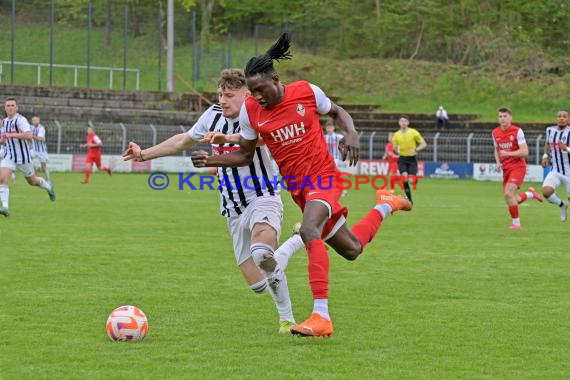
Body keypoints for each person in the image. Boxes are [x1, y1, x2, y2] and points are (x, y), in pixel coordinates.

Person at [191, 33, 412, 337]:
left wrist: (352, 133)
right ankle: (386, 204)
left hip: (324, 177)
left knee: (309, 231)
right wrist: (211, 160)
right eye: (252, 92)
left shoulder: (306, 92)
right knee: (351, 249)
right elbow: (244, 154)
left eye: (261, 89)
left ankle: (321, 316)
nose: (257, 97)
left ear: (276, 79)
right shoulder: (251, 112)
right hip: (299, 188)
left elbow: (337, 112)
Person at [123, 68, 305, 334]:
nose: (223, 99)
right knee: (258, 284)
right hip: (232, 208)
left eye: (229, 95)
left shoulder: (259, 114)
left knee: (262, 254)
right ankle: (296, 241)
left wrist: (226, 140)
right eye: (220, 94)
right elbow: (182, 141)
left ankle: (287, 320)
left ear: (247, 95)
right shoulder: (212, 116)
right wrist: (143, 155)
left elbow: (263, 140)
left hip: (262, 197)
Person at [0, 98, 55, 217]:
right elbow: (6, 137)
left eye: (12, 105)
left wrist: (12, 134)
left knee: (32, 181)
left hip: (23, 157)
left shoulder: (21, 120)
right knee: (2, 179)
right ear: (5, 108)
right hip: (9, 156)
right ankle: (5, 207)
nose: (10, 107)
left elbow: (29, 135)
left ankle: (48, 187)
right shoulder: (4, 122)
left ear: (16, 107)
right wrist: (4, 139)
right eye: (8, 105)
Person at [492, 107, 542, 229]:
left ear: (510, 117)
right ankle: (530, 194)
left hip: (518, 167)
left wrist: (508, 154)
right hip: (506, 169)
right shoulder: (495, 133)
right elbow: (496, 149)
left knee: (508, 193)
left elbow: (525, 152)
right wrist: (498, 162)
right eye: (500, 116)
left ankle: (516, 224)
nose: (502, 119)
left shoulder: (517, 131)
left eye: (505, 116)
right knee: (514, 198)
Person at [540, 110, 570, 222]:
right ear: (556, 119)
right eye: (559, 116)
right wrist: (545, 156)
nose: (561, 118)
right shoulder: (550, 130)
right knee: (546, 191)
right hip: (556, 170)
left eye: (564, 116)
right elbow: (547, 143)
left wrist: (566, 148)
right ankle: (562, 205)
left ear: (568, 120)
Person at [392, 116, 427, 203]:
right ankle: (410, 200)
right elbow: (394, 148)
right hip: (402, 159)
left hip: (412, 159)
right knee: (404, 178)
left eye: (405, 121)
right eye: (401, 121)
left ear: (408, 123)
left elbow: (424, 144)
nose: (403, 122)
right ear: (399, 123)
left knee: (411, 181)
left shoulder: (413, 132)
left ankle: (414, 180)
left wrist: (415, 149)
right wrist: (395, 150)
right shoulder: (396, 135)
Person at [324, 121, 347, 196]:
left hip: (336, 158)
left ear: (333, 128)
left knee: (335, 174)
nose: (329, 129)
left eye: (330, 127)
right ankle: (335, 189)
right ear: (326, 129)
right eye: (328, 127)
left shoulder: (338, 136)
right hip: (327, 159)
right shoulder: (324, 137)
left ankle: (342, 189)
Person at [30, 116, 50, 182]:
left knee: (43, 167)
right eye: (33, 120)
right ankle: (34, 170)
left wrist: (31, 136)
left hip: (42, 151)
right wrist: (29, 144)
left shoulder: (41, 128)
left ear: (39, 120)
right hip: (33, 149)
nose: (34, 121)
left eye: (35, 120)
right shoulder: (31, 127)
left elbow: (39, 138)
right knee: (27, 160)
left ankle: (47, 180)